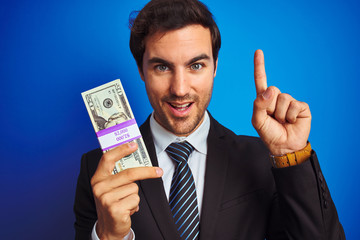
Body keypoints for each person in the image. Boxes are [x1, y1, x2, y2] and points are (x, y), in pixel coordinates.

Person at [74, 0, 345, 239]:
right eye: (162, 67)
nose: (179, 89)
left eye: (195, 65)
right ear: (141, 70)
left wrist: (291, 157)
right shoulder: (98, 170)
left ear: (215, 66)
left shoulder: (261, 158)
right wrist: (108, 237)